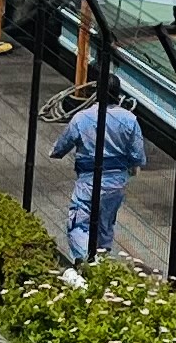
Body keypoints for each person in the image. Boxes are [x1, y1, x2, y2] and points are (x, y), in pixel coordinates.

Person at [49, 91, 147, 267]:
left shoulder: (81, 118)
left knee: (79, 222)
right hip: (116, 183)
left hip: (88, 180)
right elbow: (138, 155)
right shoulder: (130, 119)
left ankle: (86, 261)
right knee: (105, 225)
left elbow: (60, 148)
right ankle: (102, 262)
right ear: (118, 96)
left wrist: (56, 152)